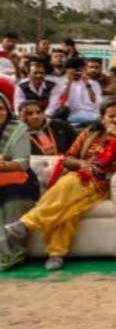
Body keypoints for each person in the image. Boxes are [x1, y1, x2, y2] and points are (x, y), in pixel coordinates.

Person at [5, 96, 116, 270]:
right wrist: (80, 163)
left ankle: (25, 224)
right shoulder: (90, 133)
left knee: (71, 183)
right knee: (71, 206)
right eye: (111, 116)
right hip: (80, 178)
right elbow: (67, 158)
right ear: (102, 118)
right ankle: (57, 254)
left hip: (105, 183)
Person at [0, 80, 41, 271]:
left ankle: (12, 254)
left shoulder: (18, 128)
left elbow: (23, 163)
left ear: (8, 110)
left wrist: (5, 164)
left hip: (19, 179)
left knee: (13, 200)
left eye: (1, 108)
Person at [46, 57, 101, 128]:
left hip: (92, 116)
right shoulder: (59, 85)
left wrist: (87, 84)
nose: (77, 73)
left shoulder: (93, 84)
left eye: (80, 70)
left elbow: (95, 102)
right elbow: (60, 103)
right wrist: (69, 82)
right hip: (70, 117)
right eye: (74, 70)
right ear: (66, 70)